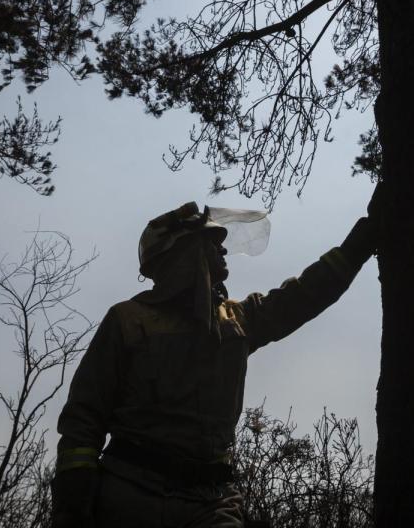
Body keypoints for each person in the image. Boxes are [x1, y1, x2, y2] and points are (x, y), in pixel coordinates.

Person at [51, 198, 378, 528]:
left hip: (210, 500)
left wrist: (359, 244)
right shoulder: (128, 320)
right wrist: (74, 494)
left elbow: (302, 296)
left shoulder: (235, 319)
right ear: (182, 254)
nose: (221, 251)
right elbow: (84, 414)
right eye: (210, 243)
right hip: (130, 493)